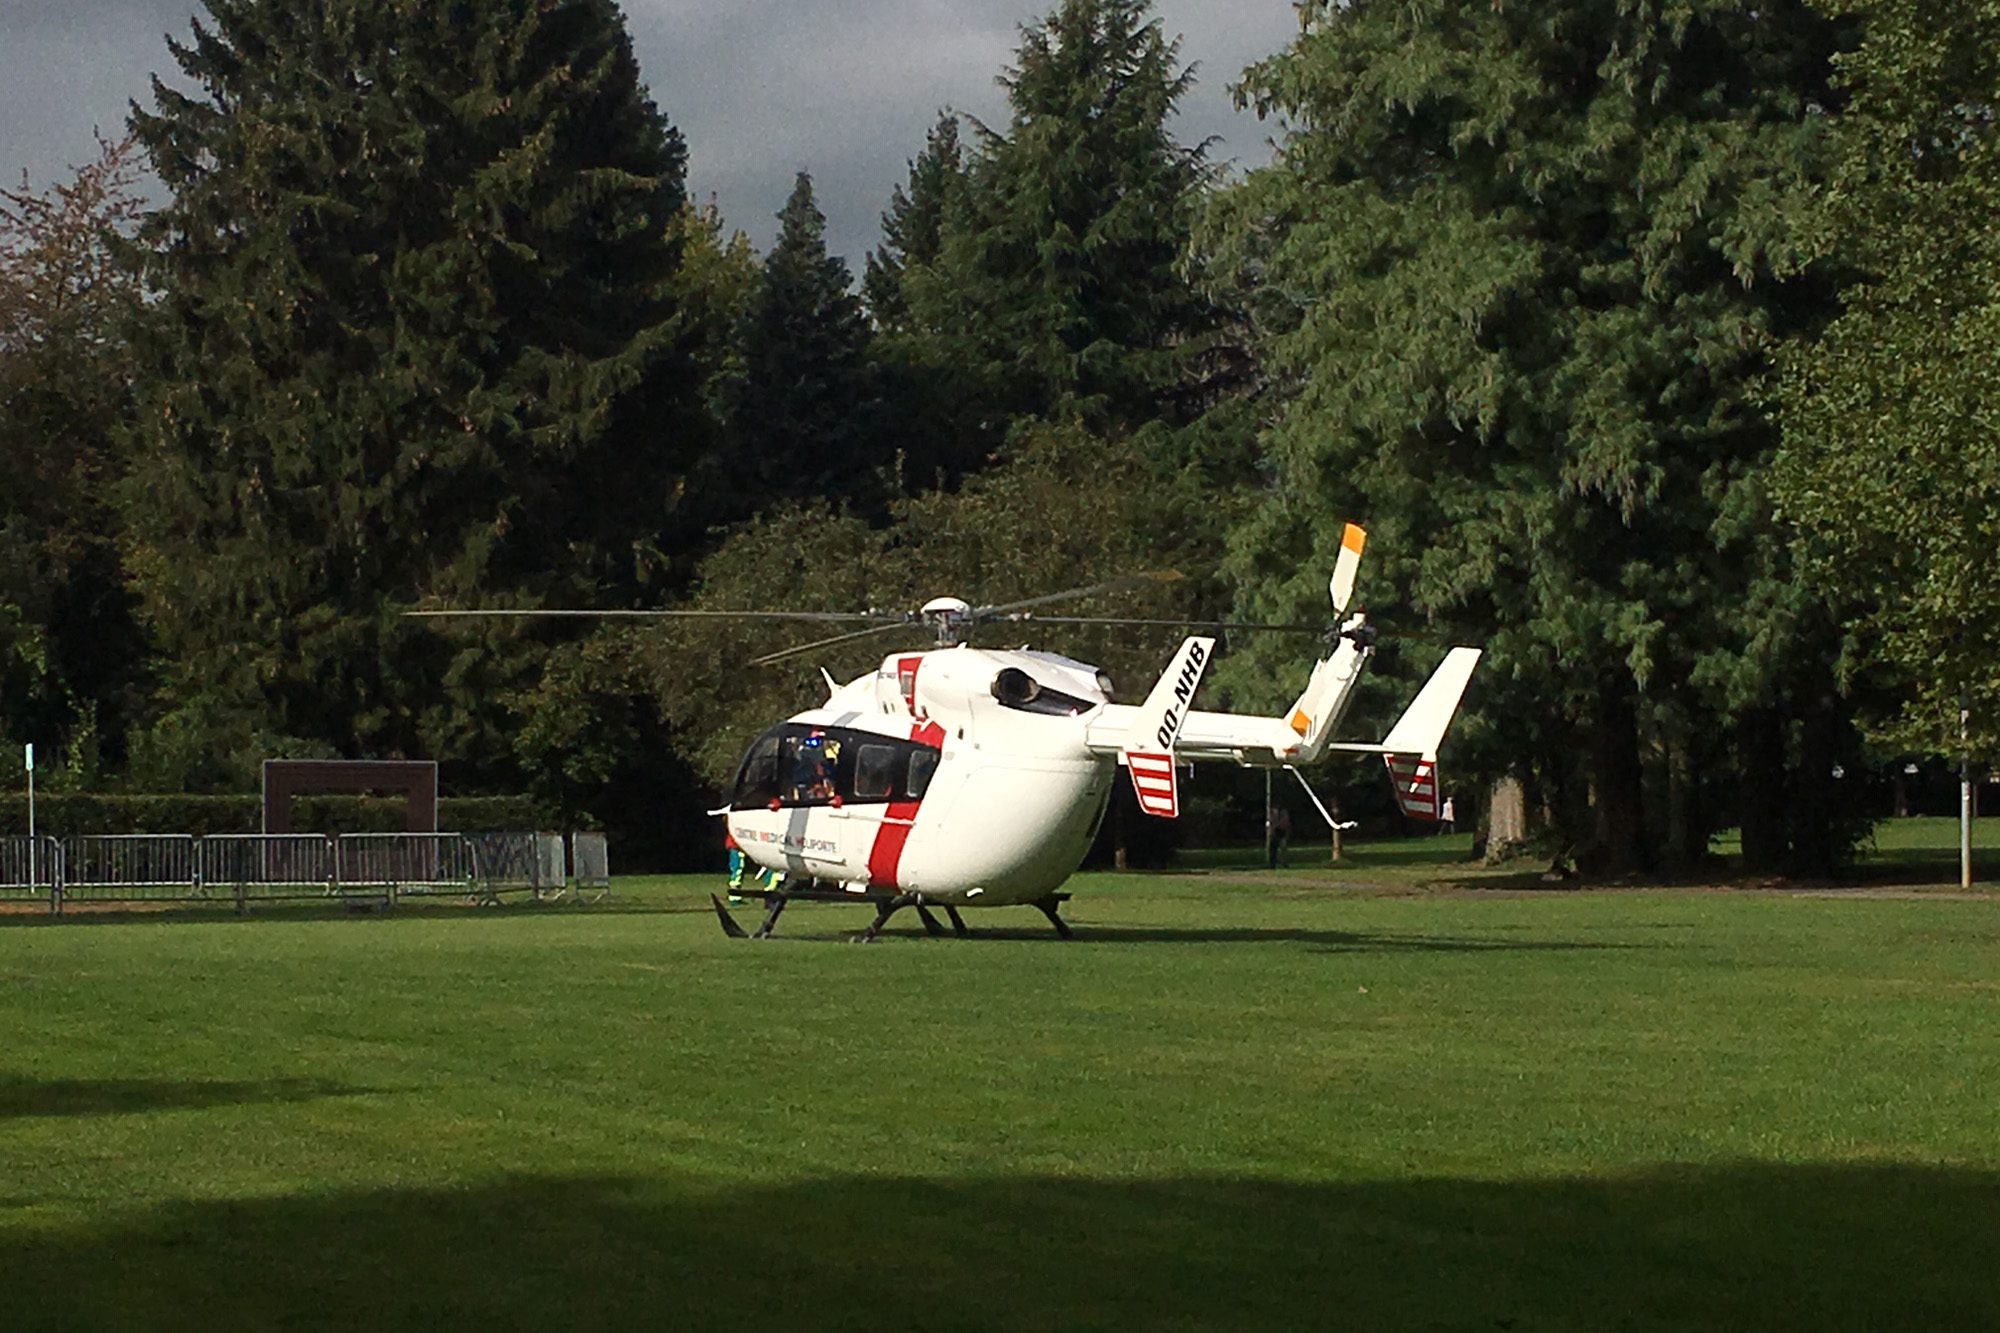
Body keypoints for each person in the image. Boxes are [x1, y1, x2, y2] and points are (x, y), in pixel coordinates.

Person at [1266, 802, 1292, 868]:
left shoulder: (1283, 812)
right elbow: (1270, 821)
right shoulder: (1272, 812)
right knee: (1273, 849)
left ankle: (1284, 863)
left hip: (1281, 832)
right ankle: (1272, 864)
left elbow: (1285, 822)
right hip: (1274, 833)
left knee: (1283, 848)